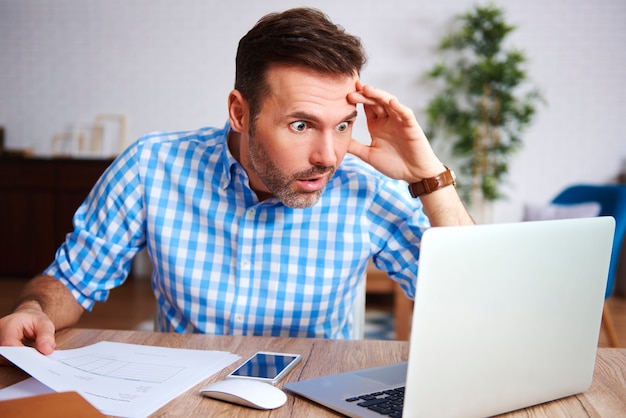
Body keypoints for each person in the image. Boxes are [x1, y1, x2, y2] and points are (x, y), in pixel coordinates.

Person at [0, 7, 473, 357]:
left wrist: (429, 175)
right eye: (302, 125)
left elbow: (474, 305)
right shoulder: (153, 166)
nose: (329, 156)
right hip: (182, 395)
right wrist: (36, 309)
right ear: (240, 112)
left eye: (344, 124)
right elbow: (71, 280)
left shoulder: (363, 184)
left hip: (310, 392)